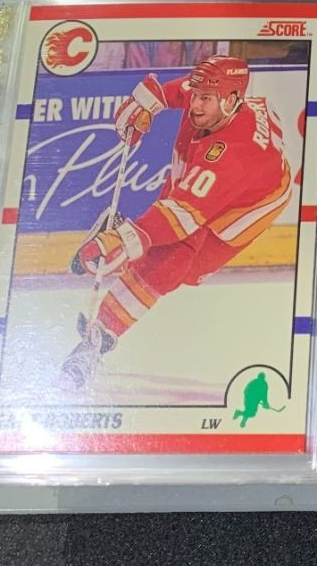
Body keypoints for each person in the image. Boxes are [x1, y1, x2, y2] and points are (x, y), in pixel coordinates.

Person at [61, 57, 292, 389]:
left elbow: (181, 216)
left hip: (243, 207)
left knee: (183, 266)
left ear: (232, 100)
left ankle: (122, 254)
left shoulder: (235, 157)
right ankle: (99, 338)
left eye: (205, 98)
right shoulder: (217, 102)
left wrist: (124, 240)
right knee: (169, 262)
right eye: (196, 95)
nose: (195, 104)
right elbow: (180, 91)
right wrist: (151, 100)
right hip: (205, 175)